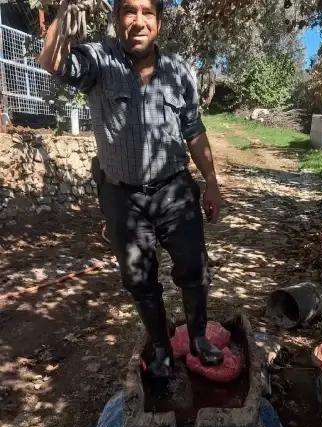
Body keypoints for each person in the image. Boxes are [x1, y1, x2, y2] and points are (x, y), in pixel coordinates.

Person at [38, 0, 224, 378]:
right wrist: (67, 9)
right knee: (139, 278)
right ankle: (160, 347)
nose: (138, 21)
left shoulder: (179, 71)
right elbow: (52, 62)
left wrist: (212, 183)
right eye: (129, 11)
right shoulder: (97, 61)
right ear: (116, 19)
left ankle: (199, 337)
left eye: (147, 12)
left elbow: (194, 130)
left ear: (158, 22)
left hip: (175, 191)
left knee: (195, 269)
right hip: (122, 196)